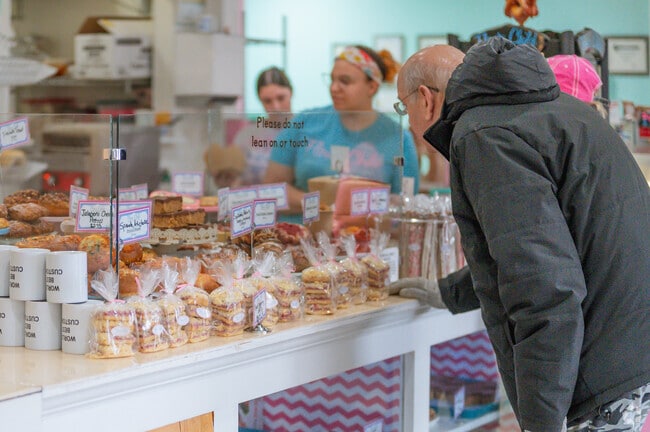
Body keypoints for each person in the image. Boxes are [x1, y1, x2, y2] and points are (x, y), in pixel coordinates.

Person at [391, 38, 650, 431]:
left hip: (600, 375)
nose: (407, 119)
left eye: (401, 106)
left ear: (424, 99)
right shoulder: (555, 110)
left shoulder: (484, 135)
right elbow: (547, 244)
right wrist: (450, 292)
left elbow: (545, 288)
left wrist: (540, 421)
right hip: (629, 354)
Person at [263, 45, 419, 218]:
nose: (334, 88)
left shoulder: (398, 138)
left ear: (372, 87)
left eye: (345, 81)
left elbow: (406, 204)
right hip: (300, 236)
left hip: (364, 239)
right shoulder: (304, 123)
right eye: (332, 80)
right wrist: (320, 205)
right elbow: (271, 189)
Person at [207, 66, 293, 188]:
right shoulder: (247, 135)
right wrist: (225, 179)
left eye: (281, 98)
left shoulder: (306, 130)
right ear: (260, 101)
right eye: (267, 101)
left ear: (291, 93)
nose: (276, 107)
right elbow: (236, 181)